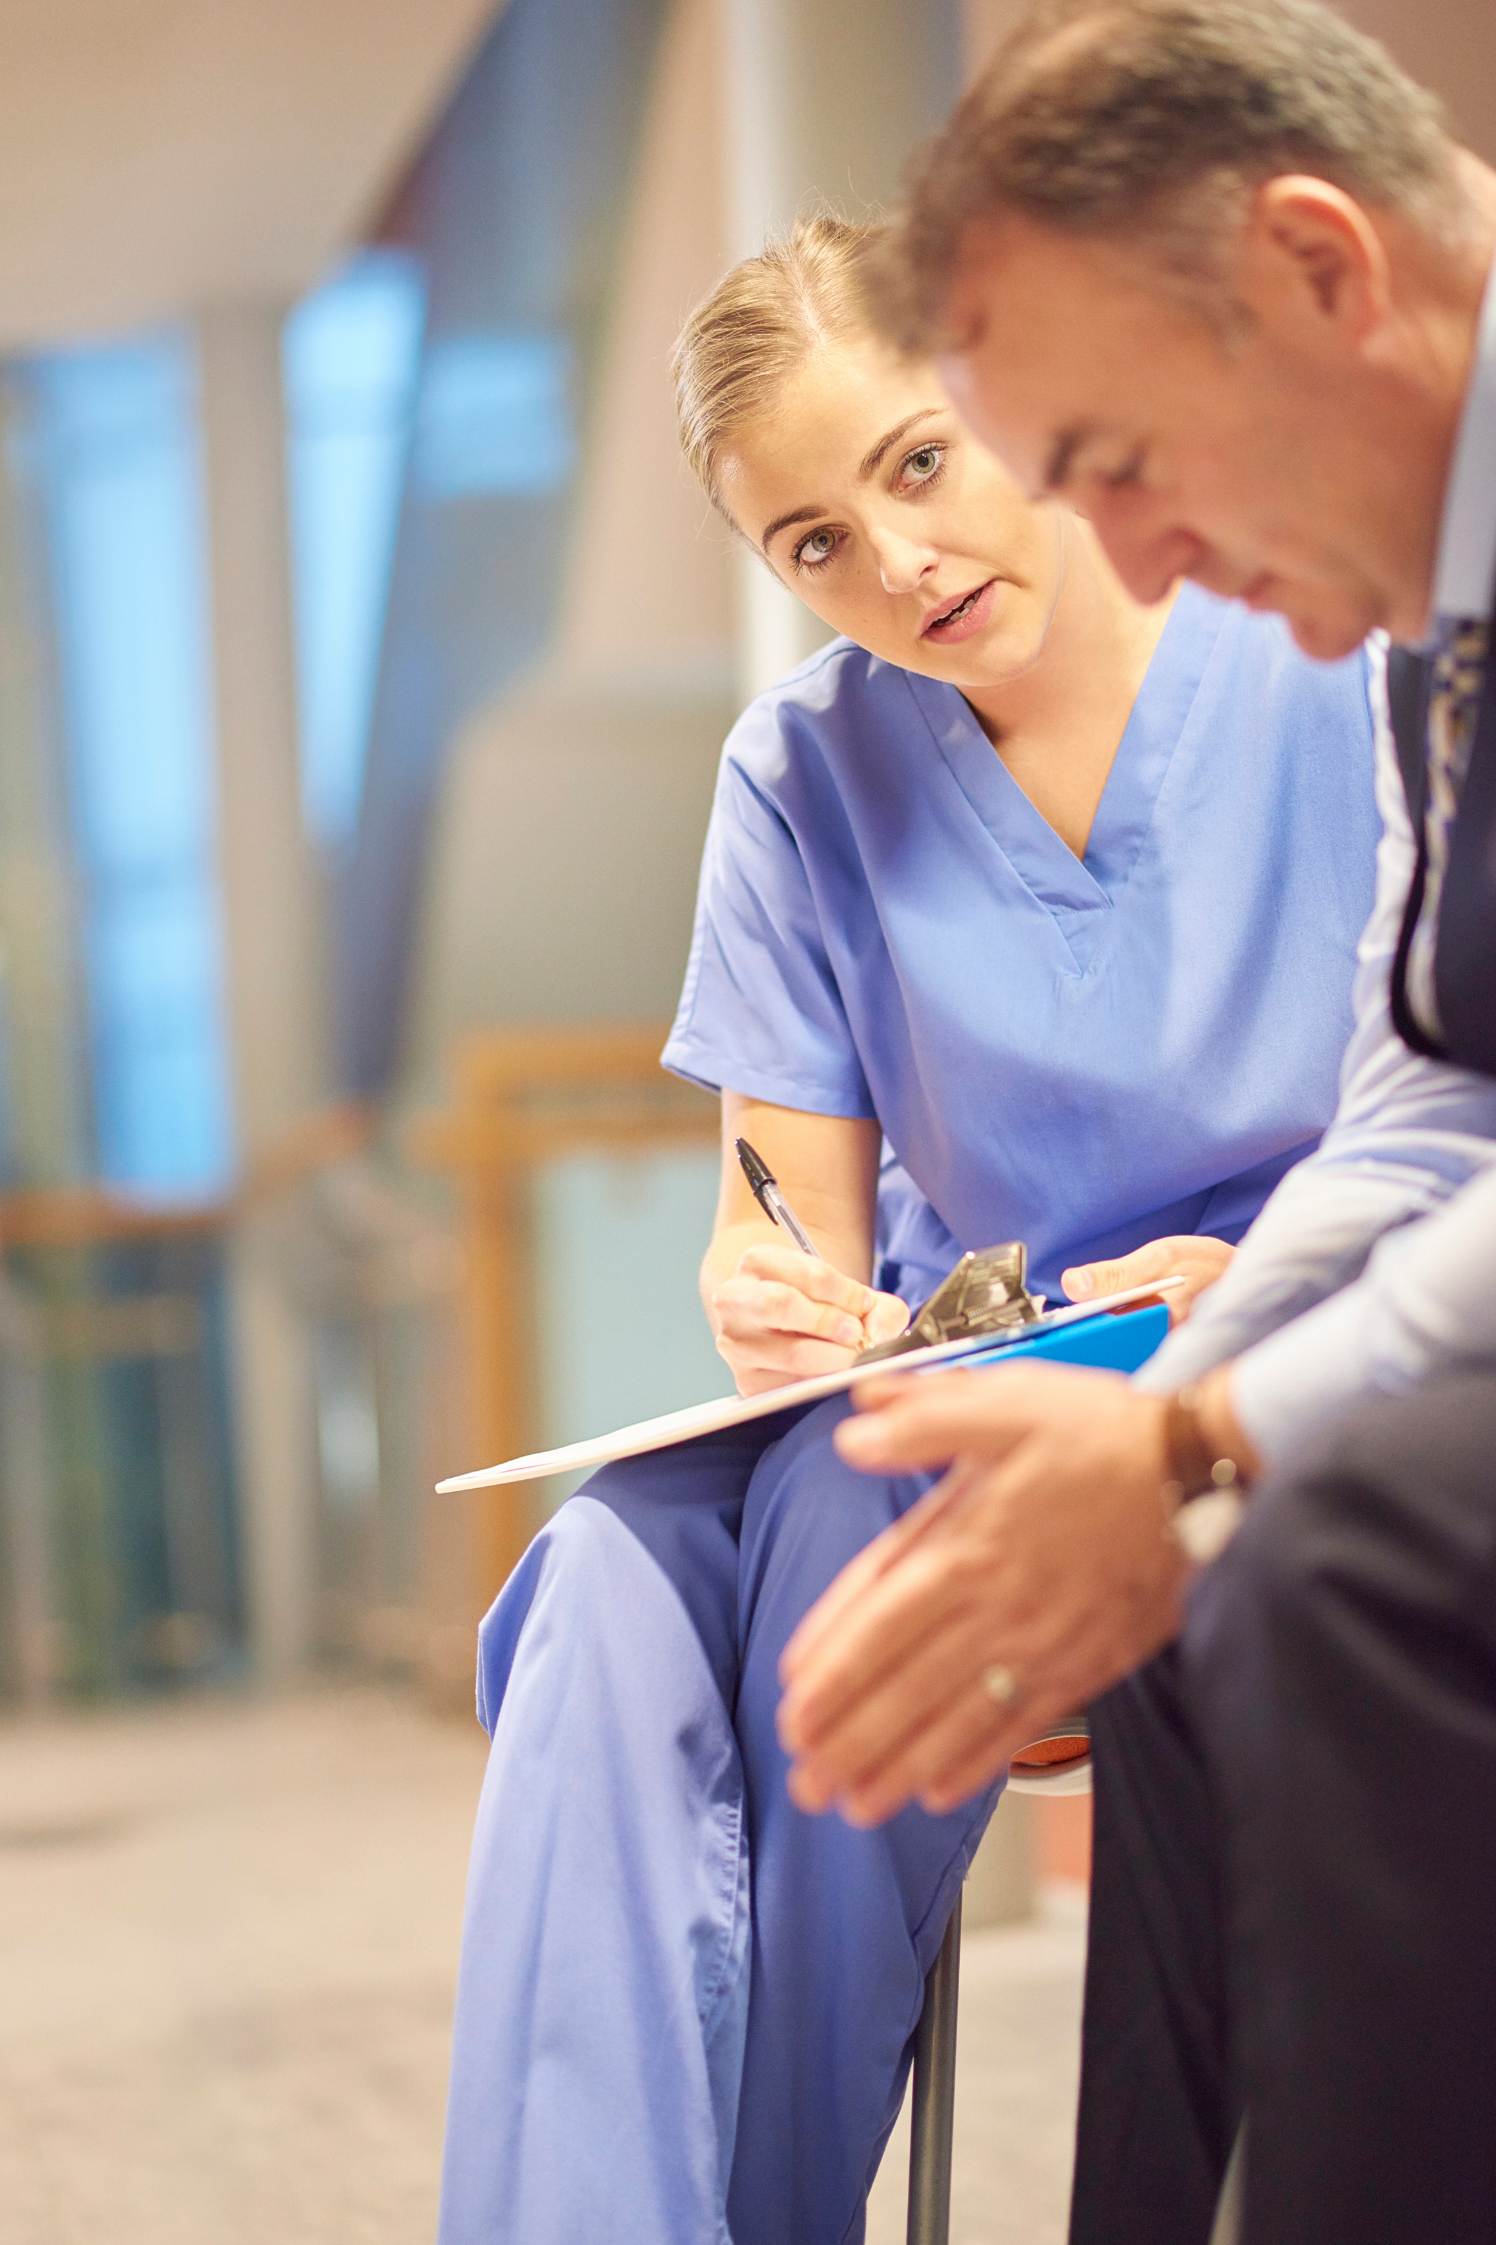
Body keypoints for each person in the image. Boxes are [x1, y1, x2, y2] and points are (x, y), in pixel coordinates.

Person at [436, 216, 1382, 2245]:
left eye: (917, 464)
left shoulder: (1316, 647)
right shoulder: (798, 772)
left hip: (1269, 1362)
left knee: (853, 1526)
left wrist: (1253, 1284)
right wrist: (767, 1295)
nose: (892, 567)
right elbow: (776, 1224)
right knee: (598, 1583)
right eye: (809, 547)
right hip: (957, 1377)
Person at [772, 8, 1496, 2242]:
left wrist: (1200, 1443)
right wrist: (1161, 1433)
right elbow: (1428, 1089)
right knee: (1186, 1578)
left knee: (1336, 1550)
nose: (1146, 573)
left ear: (1313, 269)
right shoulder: (1416, 621)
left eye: (1115, 456)